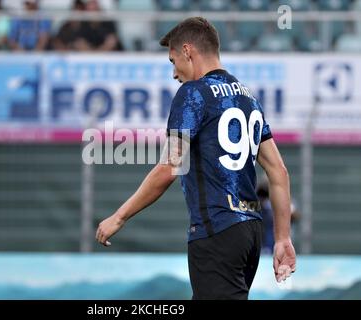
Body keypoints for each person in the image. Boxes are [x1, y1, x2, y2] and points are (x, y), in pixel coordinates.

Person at [95, 17, 296, 300]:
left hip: (218, 229)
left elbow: (169, 167)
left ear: (188, 51)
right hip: (249, 230)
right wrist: (283, 237)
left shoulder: (193, 94)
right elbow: (279, 172)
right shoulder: (248, 97)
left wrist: (119, 216)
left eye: (172, 60)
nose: (174, 73)